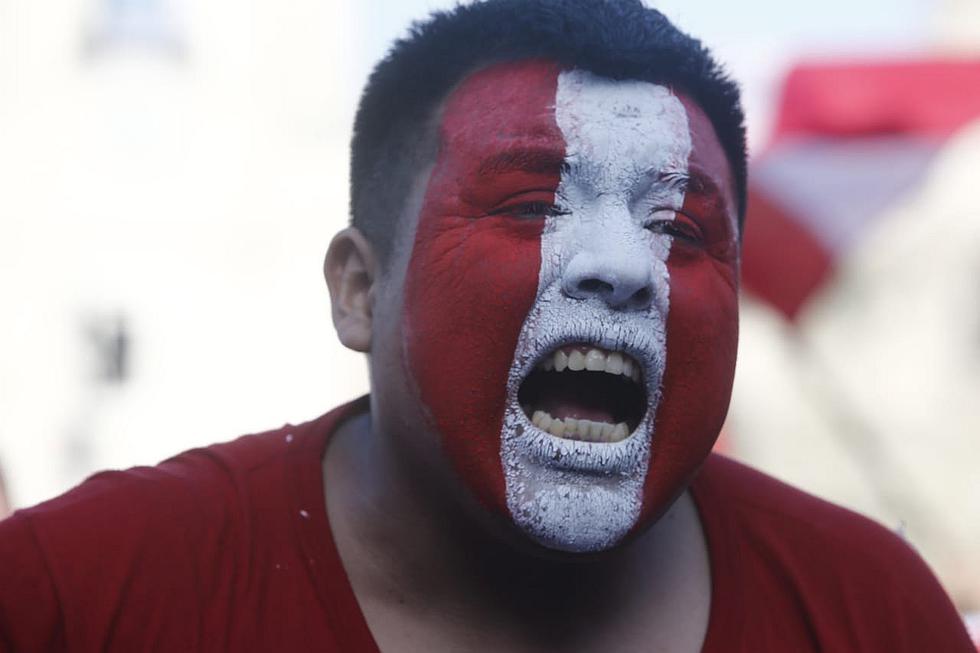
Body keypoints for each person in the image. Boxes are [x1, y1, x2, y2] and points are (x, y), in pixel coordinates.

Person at [0, 0, 973, 650]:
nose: (620, 265)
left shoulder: (872, 612)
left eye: (678, 228)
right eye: (530, 204)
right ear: (358, 289)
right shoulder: (81, 594)